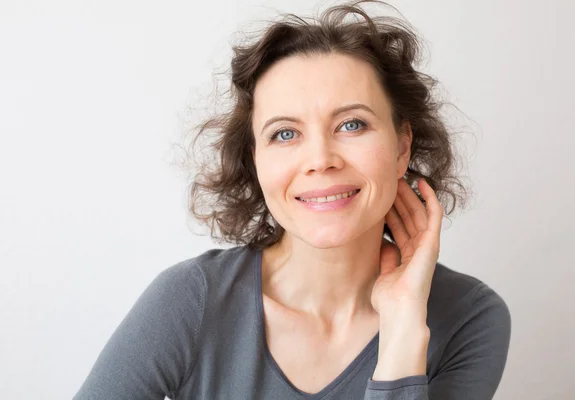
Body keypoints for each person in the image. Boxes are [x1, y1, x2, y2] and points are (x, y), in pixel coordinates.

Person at [74, 1, 511, 399]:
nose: (319, 160)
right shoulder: (190, 300)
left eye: (352, 124)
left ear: (402, 147)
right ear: (257, 160)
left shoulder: (470, 318)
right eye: (285, 133)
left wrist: (402, 333)